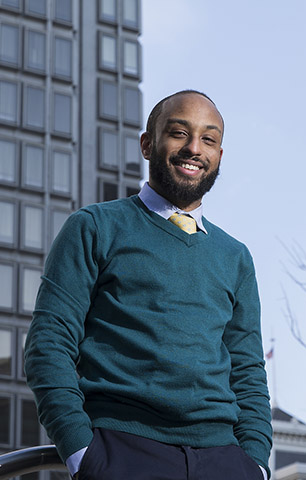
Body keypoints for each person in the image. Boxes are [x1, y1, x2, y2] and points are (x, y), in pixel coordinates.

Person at [25, 90, 272, 480]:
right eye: (178, 133)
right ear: (147, 144)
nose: (194, 148)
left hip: (225, 460)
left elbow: (248, 371)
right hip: (123, 450)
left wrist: (255, 464)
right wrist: (82, 454)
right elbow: (48, 344)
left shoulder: (236, 256)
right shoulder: (94, 227)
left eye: (208, 139)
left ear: (219, 157)